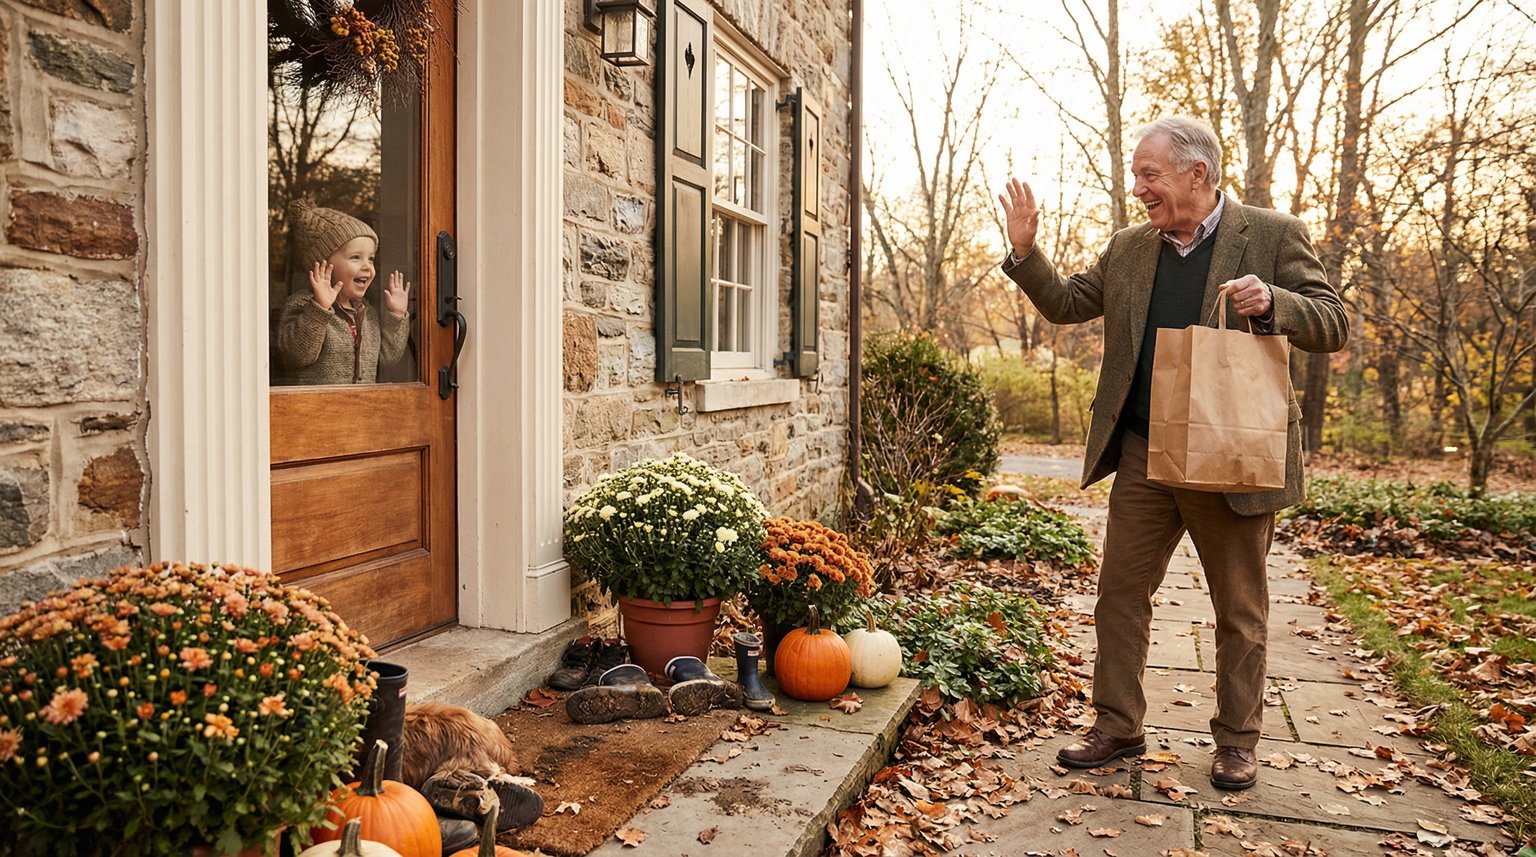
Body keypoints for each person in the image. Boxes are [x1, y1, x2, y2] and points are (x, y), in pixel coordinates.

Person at [997, 116, 1348, 790]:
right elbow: (1070, 302)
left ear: (1199, 174)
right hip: (1144, 453)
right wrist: (1025, 252)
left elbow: (1332, 322)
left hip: (1230, 455)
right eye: (1136, 175)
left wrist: (1275, 301)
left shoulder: (1271, 235)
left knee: (1239, 609)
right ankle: (1118, 722)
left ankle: (1238, 740)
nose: (1138, 188)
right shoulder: (1131, 246)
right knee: (1119, 595)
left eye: (1150, 175)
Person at [276, 197, 411, 385]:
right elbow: (296, 355)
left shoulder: (366, 312)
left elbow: (388, 358)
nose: (367, 266)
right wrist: (319, 308)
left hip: (361, 409)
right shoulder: (302, 304)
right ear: (322, 264)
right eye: (355, 257)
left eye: (371, 259)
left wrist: (396, 315)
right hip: (318, 411)